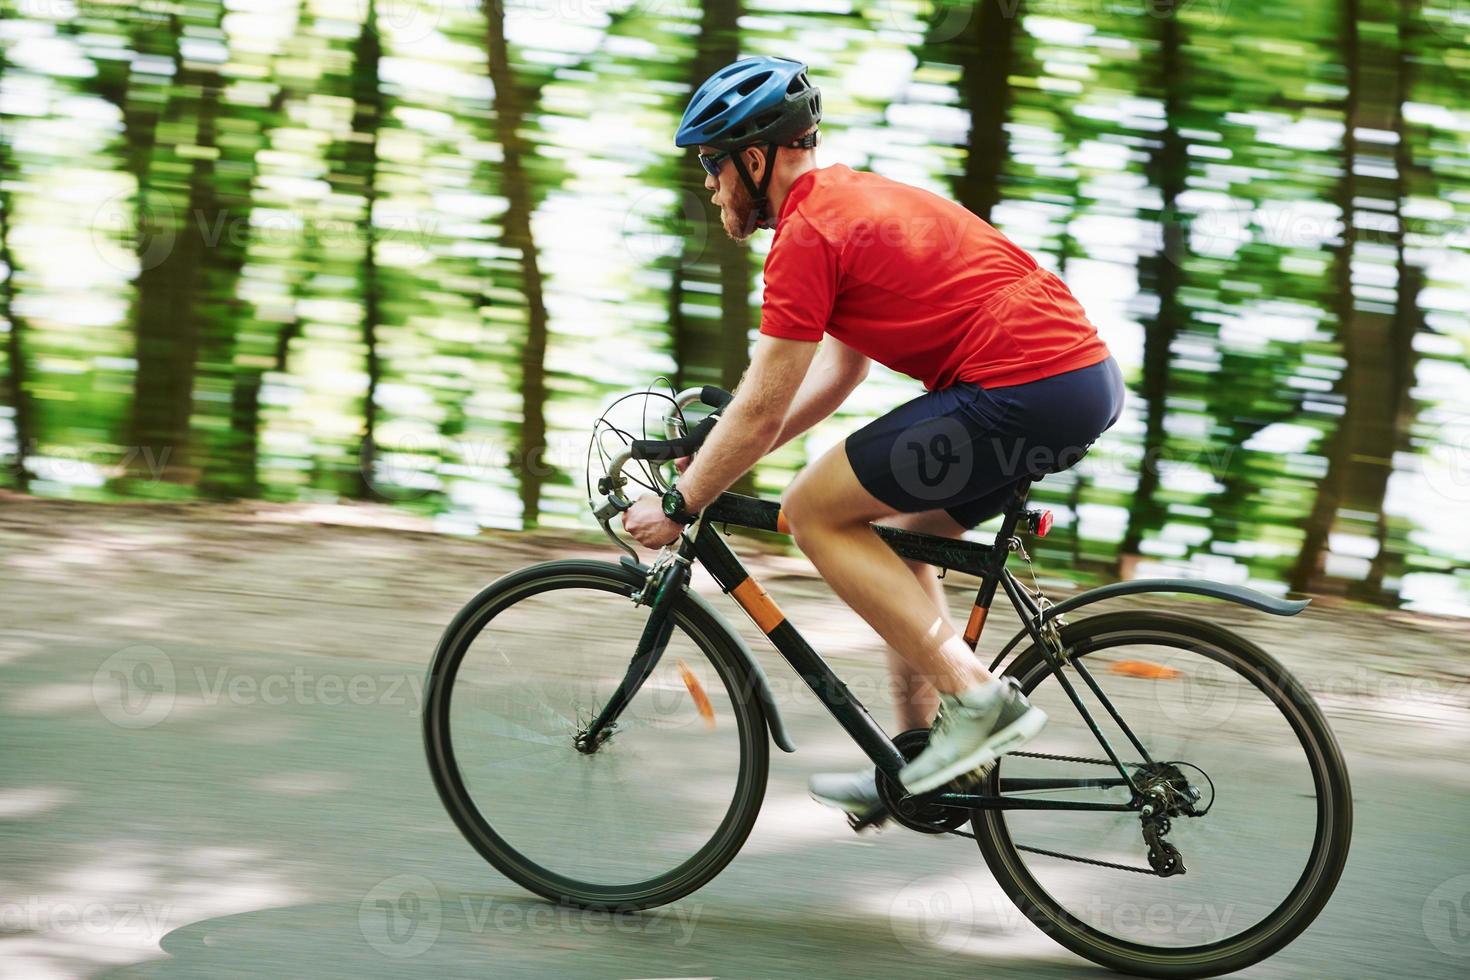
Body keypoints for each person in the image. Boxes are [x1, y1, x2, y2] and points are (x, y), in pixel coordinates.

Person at [621, 56, 1125, 820]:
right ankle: (921, 760)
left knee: (814, 512)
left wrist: (685, 501)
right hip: (1071, 381)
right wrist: (719, 453)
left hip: (1024, 384)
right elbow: (832, 378)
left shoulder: (807, 234)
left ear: (755, 159)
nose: (710, 184)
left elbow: (759, 412)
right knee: (892, 536)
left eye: (713, 164)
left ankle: (980, 699)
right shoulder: (849, 204)